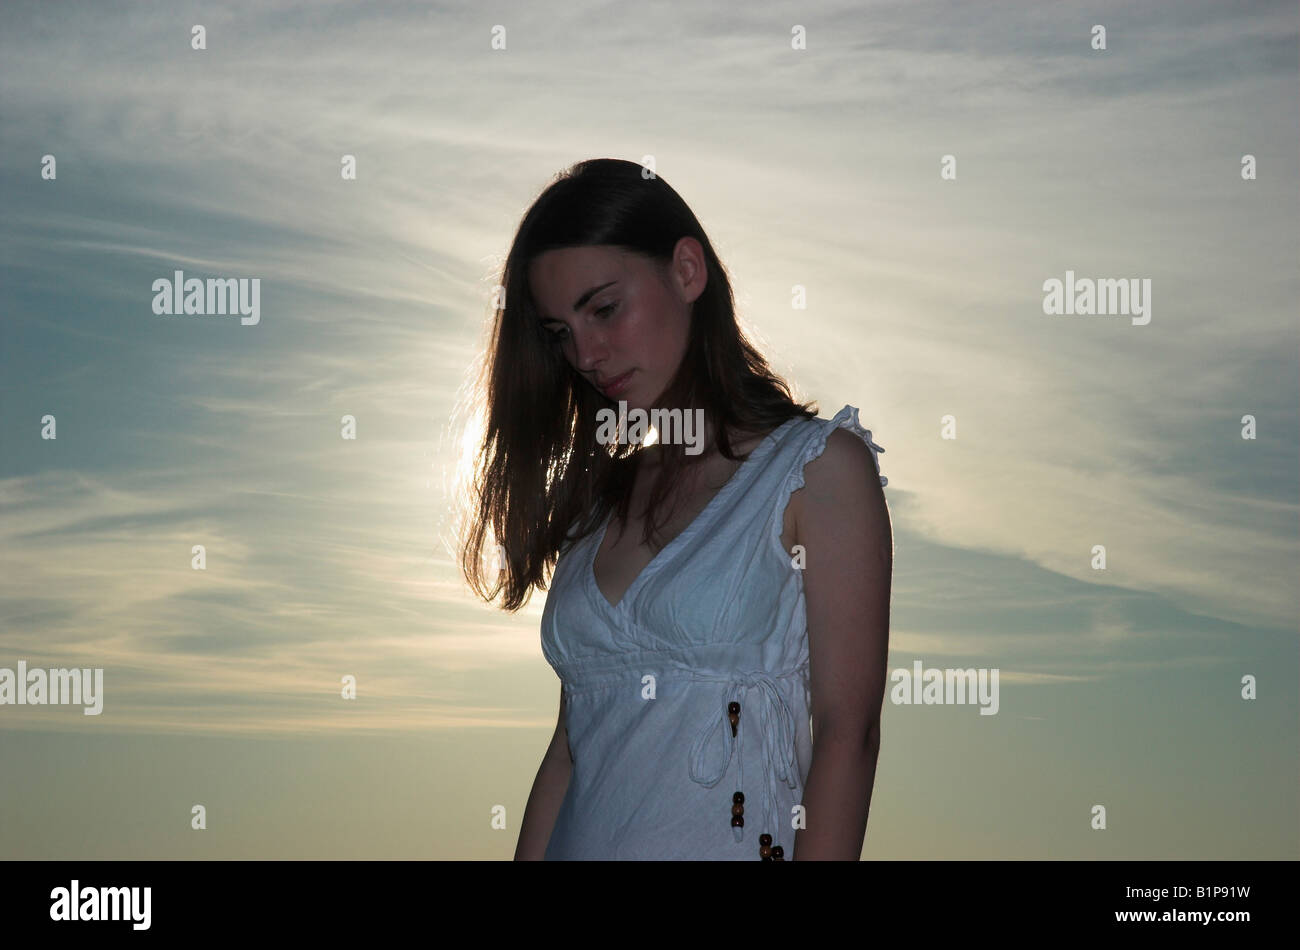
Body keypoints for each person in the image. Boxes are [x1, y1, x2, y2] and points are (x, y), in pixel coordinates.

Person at [458, 158, 892, 860]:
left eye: (603, 309)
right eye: (559, 332)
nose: (587, 354)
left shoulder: (814, 471)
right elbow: (568, 756)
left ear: (688, 271)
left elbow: (849, 734)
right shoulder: (600, 501)